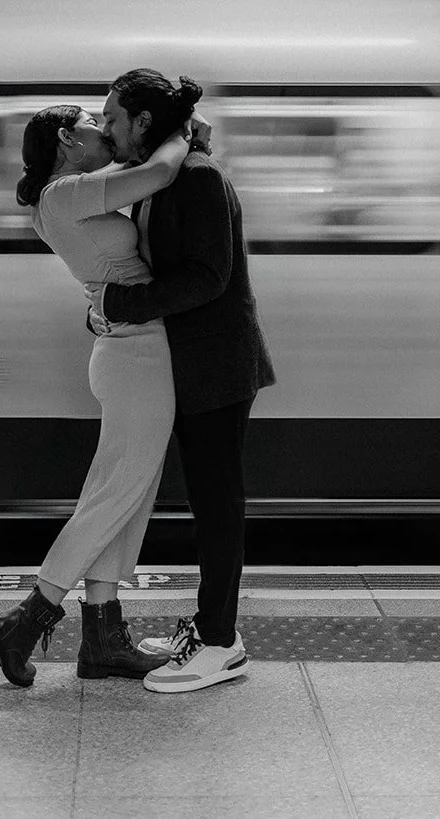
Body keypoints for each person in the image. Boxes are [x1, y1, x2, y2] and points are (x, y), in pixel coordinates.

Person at [0, 102, 195, 688]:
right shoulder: (64, 192)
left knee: (126, 493)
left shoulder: (65, 196)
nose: (105, 132)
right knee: (116, 494)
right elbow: (159, 173)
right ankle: (27, 619)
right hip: (136, 354)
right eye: (94, 125)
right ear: (67, 141)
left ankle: (103, 638)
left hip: (131, 348)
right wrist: (178, 133)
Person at [85, 69, 276, 694]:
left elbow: (207, 277)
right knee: (207, 500)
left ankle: (221, 642)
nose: (106, 126)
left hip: (216, 367)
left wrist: (120, 301)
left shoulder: (196, 180)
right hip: (194, 364)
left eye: (113, 116)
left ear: (143, 121)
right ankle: (210, 626)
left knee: (217, 504)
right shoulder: (172, 173)